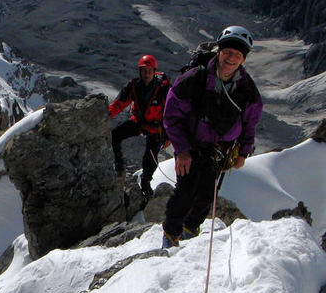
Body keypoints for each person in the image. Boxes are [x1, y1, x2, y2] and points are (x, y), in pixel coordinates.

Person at [161, 26, 263, 248]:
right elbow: (171, 116)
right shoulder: (194, 79)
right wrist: (183, 150)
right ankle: (171, 236)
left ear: (243, 59)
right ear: (219, 52)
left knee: (207, 195)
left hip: (218, 149)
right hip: (190, 144)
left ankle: (190, 232)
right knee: (186, 191)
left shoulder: (247, 91)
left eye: (237, 55)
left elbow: (250, 124)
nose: (231, 58)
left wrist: (243, 152)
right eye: (228, 52)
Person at [108, 54, 171, 197]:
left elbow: (171, 113)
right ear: (140, 72)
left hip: (157, 128)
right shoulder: (134, 86)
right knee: (116, 134)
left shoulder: (163, 89)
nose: (147, 74)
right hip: (139, 122)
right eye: (144, 71)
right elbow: (119, 103)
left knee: (150, 158)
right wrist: (106, 116)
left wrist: (169, 136)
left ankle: (146, 183)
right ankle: (119, 163)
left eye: (149, 70)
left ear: (154, 71)